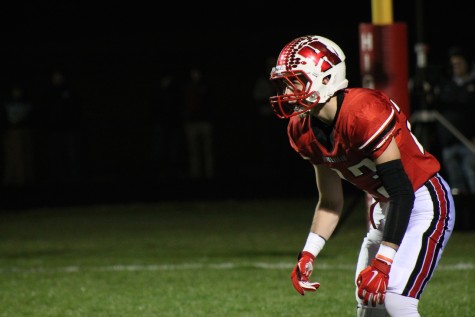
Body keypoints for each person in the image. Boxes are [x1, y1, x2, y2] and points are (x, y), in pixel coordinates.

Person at [267, 35, 455, 316]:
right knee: (369, 306)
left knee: (394, 300)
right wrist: (309, 253)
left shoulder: (363, 111)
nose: (287, 90)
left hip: (422, 201)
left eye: (295, 80)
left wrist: (383, 261)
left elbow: (402, 190)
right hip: (386, 209)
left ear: (326, 77)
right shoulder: (301, 130)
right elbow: (330, 202)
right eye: (285, 82)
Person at [433, 46, 475, 195]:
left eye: (460, 64)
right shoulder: (447, 85)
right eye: (454, 65)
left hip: (467, 142)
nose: (456, 67)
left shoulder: (471, 84)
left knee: (472, 180)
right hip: (449, 143)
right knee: (456, 188)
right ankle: (462, 217)